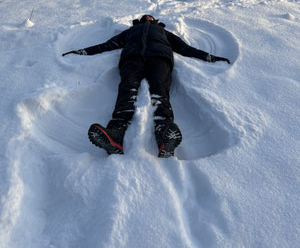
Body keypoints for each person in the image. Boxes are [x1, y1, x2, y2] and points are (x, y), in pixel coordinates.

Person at [62, 14, 230, 158]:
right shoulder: (130, 31)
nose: (148, 18)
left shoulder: (163, 31)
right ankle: (116, 134)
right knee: (127, 90)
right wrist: (82, 51)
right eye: (145, 17)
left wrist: (209, 57)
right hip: (132, 58)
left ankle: (164, 133)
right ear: (140, 21)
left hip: (160, 58)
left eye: (150, 17)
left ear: (156, 21)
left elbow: (184, 48)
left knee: (160, 91)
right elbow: (109, 44)